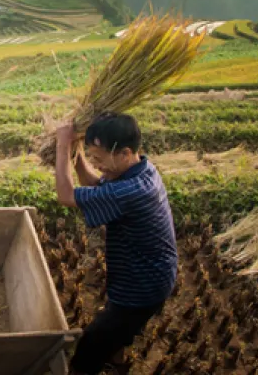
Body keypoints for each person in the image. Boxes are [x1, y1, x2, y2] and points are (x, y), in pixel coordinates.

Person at [53, 112, 178, 375]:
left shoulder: (132, 192)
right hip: (143, 274)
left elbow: (66, 196)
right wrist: (76, 155)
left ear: (124, 153)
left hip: (142, 286)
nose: (96, 164)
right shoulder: (140, 169)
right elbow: (98, 185)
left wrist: (63, 145)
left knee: (91, 346)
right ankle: (118, 358)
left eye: (98, 158)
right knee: (121, 330)